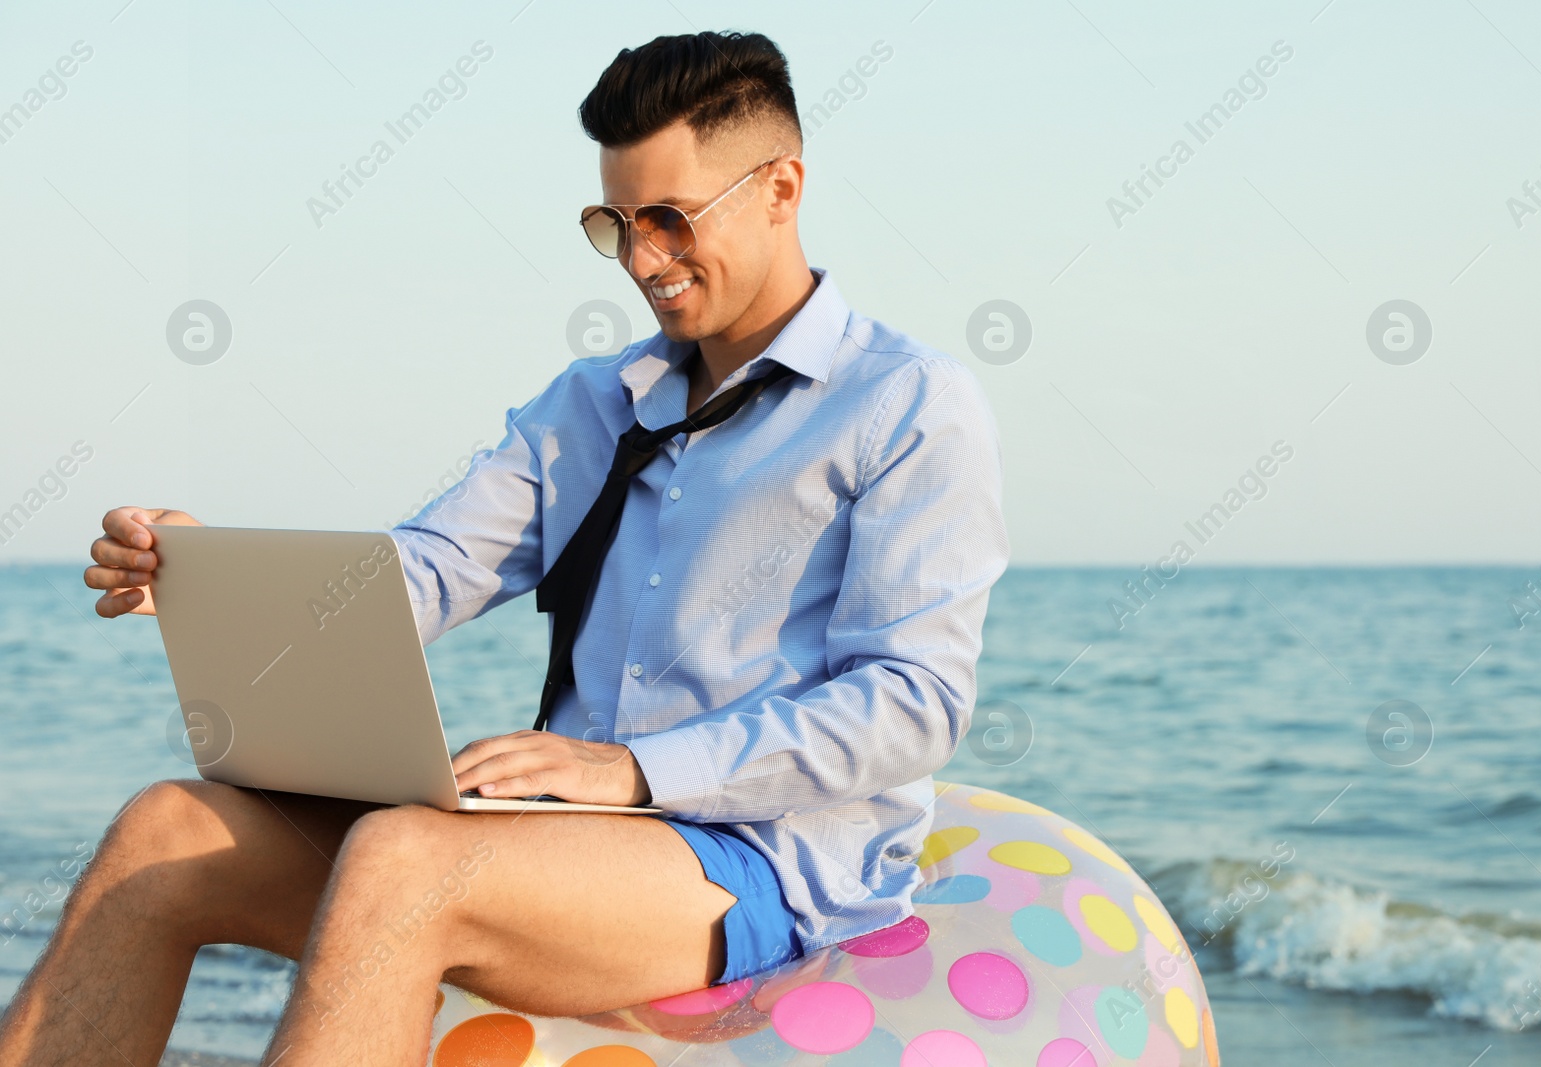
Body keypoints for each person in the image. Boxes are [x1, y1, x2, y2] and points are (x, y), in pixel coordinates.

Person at [0, 29, 1007, 1065]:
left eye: (669, 219)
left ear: (781, 189)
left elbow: (912, 698)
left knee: (399, 856)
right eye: (613, 225)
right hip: (566, 840)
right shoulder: (589, 403)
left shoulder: (906, 403)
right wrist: (216, 575)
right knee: (164, 830)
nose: (643, 260)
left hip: (765, 857)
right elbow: (423, 573)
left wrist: (629, 769)